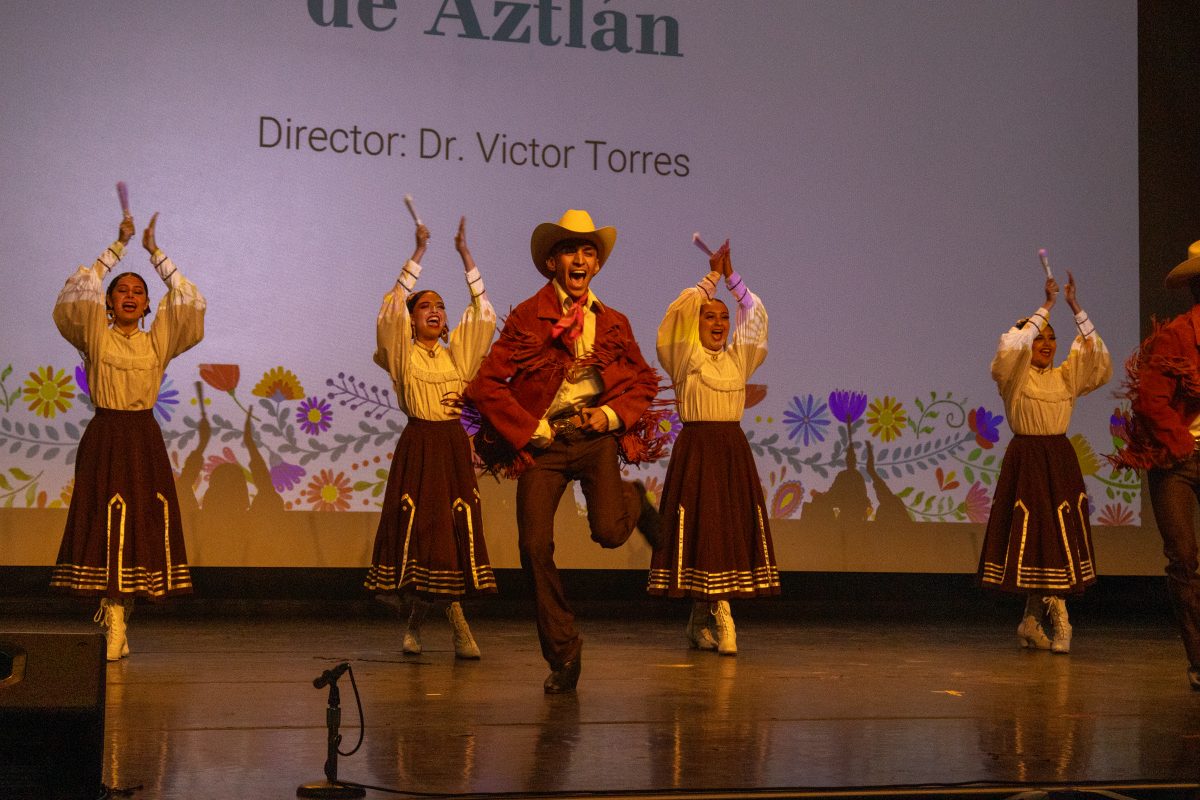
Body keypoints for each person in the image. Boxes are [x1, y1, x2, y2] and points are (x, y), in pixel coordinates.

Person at [466, 208, 666, 693]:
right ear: (553, 263)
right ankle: (564, 654)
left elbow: (641, 379)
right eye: (571, 251)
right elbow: (485, 386)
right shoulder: (528, 316)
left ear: (596, 266)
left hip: (594, 438)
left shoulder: (612, 322)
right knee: (533, 548)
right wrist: (529, 427)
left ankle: (633, 501)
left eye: (589, 251)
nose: (581, 260)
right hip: (545, 444)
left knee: (609, 534)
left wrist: (612, 415)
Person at [51, 210, 206, 661]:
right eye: (123, 291)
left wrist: (155, 253)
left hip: (143, 438)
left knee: (140, 524)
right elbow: (75, 297)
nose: (131, 297)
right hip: (105, 435)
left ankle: (122, 611)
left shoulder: (157, 340)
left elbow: (189, 300)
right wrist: (117, 247)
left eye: (139, 292)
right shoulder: (95, 335)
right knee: (105, 523)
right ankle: (113, 615)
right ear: (110, 301)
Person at [364, 217, 497, 659]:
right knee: (423, 535)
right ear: (413, 318)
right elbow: (389, 310)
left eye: (440, 305)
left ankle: (451, 624)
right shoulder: (402, 353)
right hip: (420, 447)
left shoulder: (456, 354)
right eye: (425, 306)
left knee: (450, 536)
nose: (436, 311)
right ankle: (427, 622)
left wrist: (466, 257)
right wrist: (417, 255)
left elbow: (483, 316)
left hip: (453, 449)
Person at [647, 240, 779, 654]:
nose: (719, 323)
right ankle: (723, 616)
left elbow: (755, 316)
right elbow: (677, 314)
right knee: (705, 532)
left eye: (724, 317)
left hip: (731, 452)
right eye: (710, 316)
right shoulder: (685, 356)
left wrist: (734, 278)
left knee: (725, 532)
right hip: (698, 451)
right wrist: (712, 278)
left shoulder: (737, 359)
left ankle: (699, 619)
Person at [977, 271, 1110, 654]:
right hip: (1028, 461)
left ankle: (1032, 621)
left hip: (1059, 460)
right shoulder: (1015, 378)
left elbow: (1097, 359)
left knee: (1055, 540)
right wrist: (1046, 306)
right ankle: (1059, 619)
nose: (1046, 343)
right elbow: (1009, 347)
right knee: (1036, 538)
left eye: (1052, 338)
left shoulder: (1065, 378)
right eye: (1040, 338)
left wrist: (1074, 307)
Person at [1109, 240, 1200, 690]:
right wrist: (1184, 446)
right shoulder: (1176, 337)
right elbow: (1151, 403)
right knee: (1183, 558)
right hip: (1178, 460)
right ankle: (1199, 659)